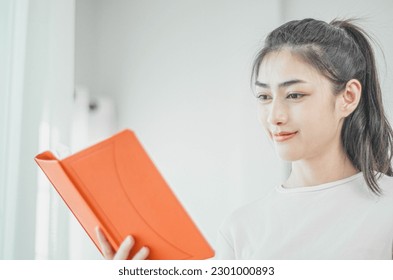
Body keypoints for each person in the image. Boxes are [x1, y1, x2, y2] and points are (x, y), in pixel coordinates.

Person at [96, 18, 393, 260]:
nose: (274, 116)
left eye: (295, 95)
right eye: (264, 96)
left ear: (348, 97)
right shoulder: (241, 228)